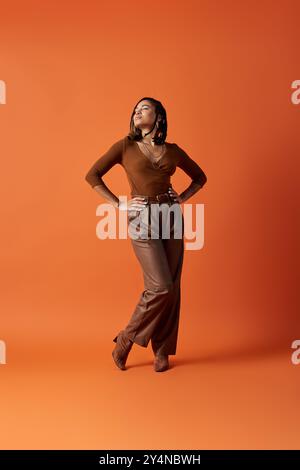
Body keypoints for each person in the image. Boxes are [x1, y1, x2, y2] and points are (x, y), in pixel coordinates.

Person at [85, 97, 207, 372]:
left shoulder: (173, 151)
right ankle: (126, 339)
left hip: (172, 218)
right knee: (160, 286)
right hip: (142, 218)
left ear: (159, 117)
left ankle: (162, 351)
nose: (138, 112)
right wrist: (119, 203)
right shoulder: (125, 146)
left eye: (145, 108)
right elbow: (92, 175)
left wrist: (184, 197)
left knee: (172, 287)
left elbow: (200, 176)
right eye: (135, 110)